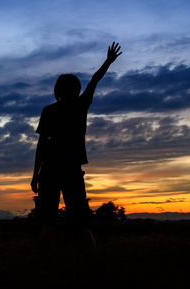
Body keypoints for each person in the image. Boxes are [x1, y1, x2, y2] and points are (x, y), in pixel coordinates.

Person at [31, 42, 122, 251]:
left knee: (49, 221)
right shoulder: (80, 106)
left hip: (51, 169)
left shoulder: (49, 110)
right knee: (81, 221)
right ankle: (90, 263)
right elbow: (94, 80)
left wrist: (36, 174)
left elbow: (41, 145)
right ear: (76, 89)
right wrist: (107, 62)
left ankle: (47, 263)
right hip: (71, 169)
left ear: (57, 90)